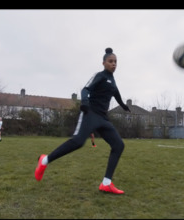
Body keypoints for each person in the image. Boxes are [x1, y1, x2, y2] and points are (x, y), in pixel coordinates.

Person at [35, 47, 130, 194]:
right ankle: (44, 160)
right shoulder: (99, 75)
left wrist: (123, 105)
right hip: (90, 113)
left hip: (103, 118)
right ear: (104, 62)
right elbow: (85, 90)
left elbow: (116, 93)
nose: (114, 64)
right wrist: (84, 102)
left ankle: (106, 183)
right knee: (78, 142)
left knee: (118, 145)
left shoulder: (112, 79)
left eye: (116, 62)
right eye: (111, 61)